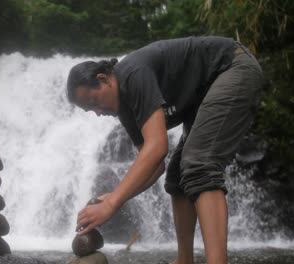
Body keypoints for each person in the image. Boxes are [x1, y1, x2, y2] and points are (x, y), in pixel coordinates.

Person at [66, 36, 264, 264]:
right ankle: (184, 260)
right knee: (176, 175)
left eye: (94, 102)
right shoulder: (125, 110)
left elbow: (157, 147)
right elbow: (155, 166)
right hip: (202, 94)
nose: (98, 112)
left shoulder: (132, 74)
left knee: (199, 164)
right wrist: (114, 196)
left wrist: (113, 203)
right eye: (90, 111)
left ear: (104, 80)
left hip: (231, 67)